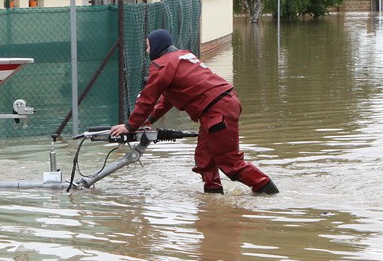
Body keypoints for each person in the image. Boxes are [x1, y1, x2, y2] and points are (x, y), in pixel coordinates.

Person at [109, 29, 278, 195]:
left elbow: (147, 99)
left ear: (157, 46)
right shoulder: (182, 57)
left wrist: (130, 126)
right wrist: (148, 120)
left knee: (230, 162)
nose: (147, 51)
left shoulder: (162, 64)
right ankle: (212, 202)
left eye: (148, 46)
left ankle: (271, 196)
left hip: (217, 110)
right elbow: (167, 100)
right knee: (204, 158)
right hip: (222, 105)